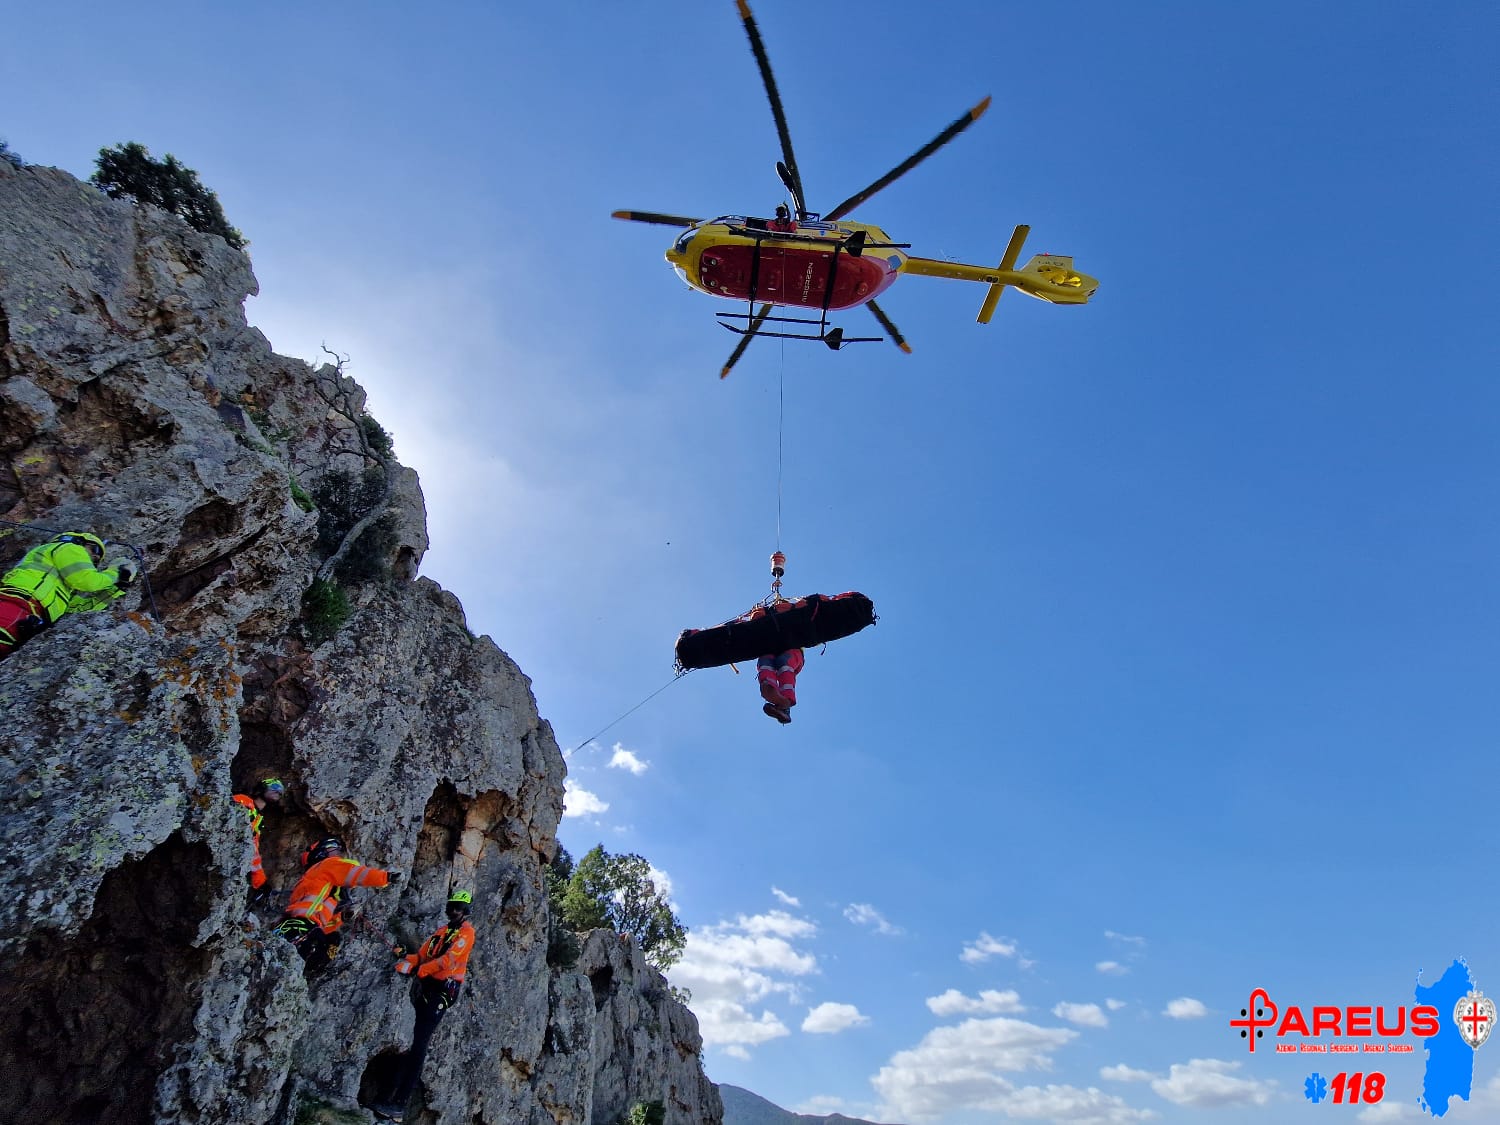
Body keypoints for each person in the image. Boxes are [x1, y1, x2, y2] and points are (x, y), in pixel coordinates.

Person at [374, 891, 478, 1123]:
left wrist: (417, 971)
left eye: (459, 907)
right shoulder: (440, 932)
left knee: (419, 1045)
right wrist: (406, 958)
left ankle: (399, 1105)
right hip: (428, 987)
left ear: (466, 911)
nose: (454, 910)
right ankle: (387, 1098)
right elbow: (422, 956)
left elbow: (448, 960)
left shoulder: (467, 933)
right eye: (452, 906)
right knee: (411, 1043)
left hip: (442, 991)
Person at [0, 531, 133, 659]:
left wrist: (116, 588)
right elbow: (88, 581)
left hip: (27, 613)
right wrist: (116, 573)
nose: (95, 558)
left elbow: (81, 609)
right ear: (80, 541)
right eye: (95, 550)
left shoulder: (59, 584)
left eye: (97, 562)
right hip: (19, 605)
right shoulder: (69, 547)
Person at [274, 836, 397, 973]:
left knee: (332, 939)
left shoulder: (322, 888)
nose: (337, 855)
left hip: (302, 926)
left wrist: (341, 918)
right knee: (325, 944)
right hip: (301, 925)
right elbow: (354, 873)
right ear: (320, 854)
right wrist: (385, 877)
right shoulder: (325, 866)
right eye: (333, 850)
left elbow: (322, 924)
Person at [747, 594, 803, 725]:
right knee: (765, 661)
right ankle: (770, 687)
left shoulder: (797, 616)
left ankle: (786, 701)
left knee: (784, 662)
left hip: (792, 650)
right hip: (771, 647)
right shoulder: (769, 616)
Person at [232, 778, 286, 891]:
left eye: (281, 791)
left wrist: (260, 882)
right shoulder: (243, 800)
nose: (278, 792)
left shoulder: (259, 819)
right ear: (262, 789)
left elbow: (253, 850)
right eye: (274, 788)